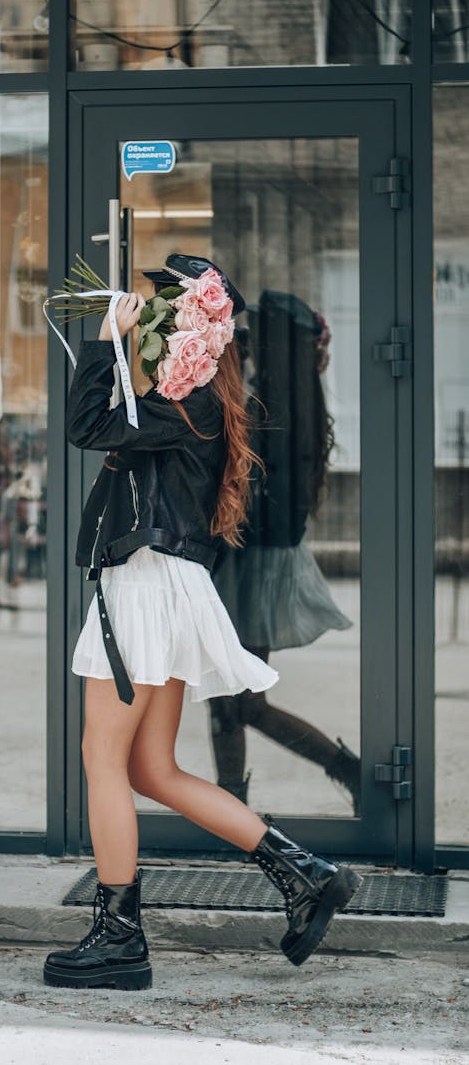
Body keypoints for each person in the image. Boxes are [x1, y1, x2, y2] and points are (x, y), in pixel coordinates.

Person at [43, 254, 361, 992]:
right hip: (168, 586)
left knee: (102, 757)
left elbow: (86, 424)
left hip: (148, 585)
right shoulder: (195, 401)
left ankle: (119, 936)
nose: (149, 320)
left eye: (160, 309)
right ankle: (306, 874)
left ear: (187, 327)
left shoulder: (186, 404)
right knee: (152, 768)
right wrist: (127, 358)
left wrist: (106, 345)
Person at [209, 291, 360, 813]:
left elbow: (246, 494)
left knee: (234, 702)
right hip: (261, 564)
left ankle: (234, 811)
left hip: (248, 567)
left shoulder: (269, 409)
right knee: (235, 701)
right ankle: (343, 773)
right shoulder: (296, 398)